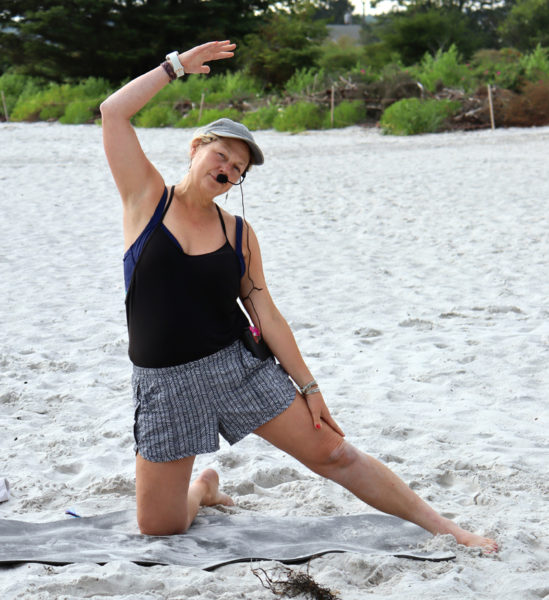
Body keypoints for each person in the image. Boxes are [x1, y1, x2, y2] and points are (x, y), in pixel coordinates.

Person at [100, 40, 498, 553]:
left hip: (236, 369)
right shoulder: (145, 199)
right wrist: (175, 67)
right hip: (165, 384)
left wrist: (309, 387)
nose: (227, 171)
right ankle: (205, 487)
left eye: (237, 170)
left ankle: (449, 529)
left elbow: (264, 311)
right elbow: (113, 113)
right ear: (196, 147)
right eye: (221, 156)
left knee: (335, 455)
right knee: (161, 527)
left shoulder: (239, 234)